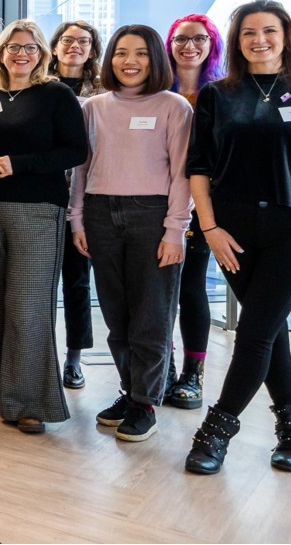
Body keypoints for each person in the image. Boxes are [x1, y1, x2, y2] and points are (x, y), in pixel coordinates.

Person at [183, 0, 291, 475]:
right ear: (236, 41)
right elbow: (199, 167)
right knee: (269, 332)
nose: (259, 40)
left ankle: (215, 433)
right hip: (231, 231)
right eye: (248, 32)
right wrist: (209, 229)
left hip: (290, 231)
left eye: (269, 30)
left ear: (286, 35)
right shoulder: (218, 95)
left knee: (253, 334)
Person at [67, 24, 192, 443]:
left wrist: (175, 230)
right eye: (121, 52)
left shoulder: (174, 106)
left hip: (152, 215)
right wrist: (78, 219)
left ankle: (146, 402)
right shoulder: (93, 107)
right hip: (101, 214)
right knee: (116, 316)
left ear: (155, 58)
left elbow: (182, 175)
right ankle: (128, 390)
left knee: (151, 317)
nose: (130, 61)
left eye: (140, 53)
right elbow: (81, 169)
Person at [0, 19, 88, 434]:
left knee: (28, 307)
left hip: (37, 210)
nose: (22, 53)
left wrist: (18, 164)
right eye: (14, 46)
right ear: (0, 52)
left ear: (42, 54)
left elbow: (75, 150)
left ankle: (31, 400)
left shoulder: (55, 95)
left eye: (30, 47)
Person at [164, 13, 225, 410]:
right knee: (156, 292)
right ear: (169, 45)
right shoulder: (154, 91)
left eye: (199, 39)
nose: (190, 46)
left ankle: (192, 375)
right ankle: (161, 369)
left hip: (204, 206)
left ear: (211, 44)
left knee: (191, 288)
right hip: (157, 204)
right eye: (182, 39)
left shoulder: (223, 94)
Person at [48, 20, 104, 389]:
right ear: (54, 47)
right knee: (37, 285)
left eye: (83, 41)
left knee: (78, 283)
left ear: (93, 49)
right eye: (68, 40)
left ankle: (74, 357)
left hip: (85, 199)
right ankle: (39, 356)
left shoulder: (103, 92)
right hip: (44, 194)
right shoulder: (40, 88)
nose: (75, 47)